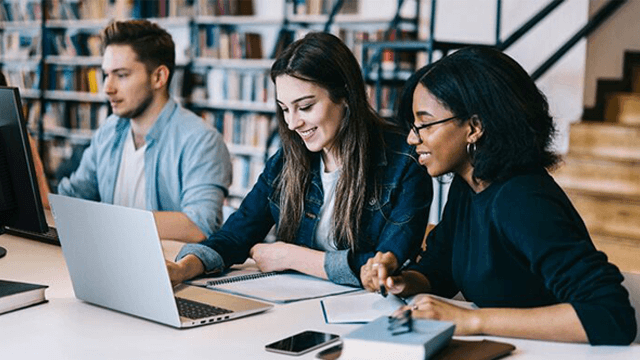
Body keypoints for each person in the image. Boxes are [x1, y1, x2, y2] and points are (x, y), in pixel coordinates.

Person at [360, 46, 637, 345]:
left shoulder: (522, 199)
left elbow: (611, 315)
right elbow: (439, 269)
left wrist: (472, 320)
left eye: (424, 124)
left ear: (474, 127)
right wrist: (400, 281)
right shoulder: (468, 185)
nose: (412, 138)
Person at [166, 32, 432, 287]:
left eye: (305, 107)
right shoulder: (286, 161)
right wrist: (182, 269)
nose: (292, 123)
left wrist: (292, 257)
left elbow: (384, 268)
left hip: (368, 314)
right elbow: (235, 235)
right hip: (298, 306)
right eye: (284, 109)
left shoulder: (406, 161)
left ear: (346, 96)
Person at [36, 20, 232, 242]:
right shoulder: (110, 130)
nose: (107, 88)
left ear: (159, 77)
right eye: (106, 74)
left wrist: (105, 220)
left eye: (121, 75)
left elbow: (199, 225)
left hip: (167, 270)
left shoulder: (201, 140)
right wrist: (32, 164)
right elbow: (70, 199)